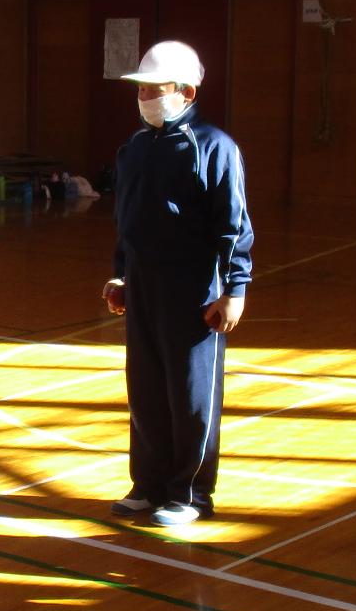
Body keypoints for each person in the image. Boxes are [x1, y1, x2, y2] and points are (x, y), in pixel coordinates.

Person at [101, 41, 252, 529]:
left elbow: (233, 224)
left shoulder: (214, 147)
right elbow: (128, 220)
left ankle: (191, 493)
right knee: (145, 388)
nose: (144, 96)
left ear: (186, 92)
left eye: (153, 88)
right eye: (140, 88)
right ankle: (148, 484)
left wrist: (235, 289)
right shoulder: (135, 147)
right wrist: (121, 274)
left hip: (195, 290)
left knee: (191, 394)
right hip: (143, 284)